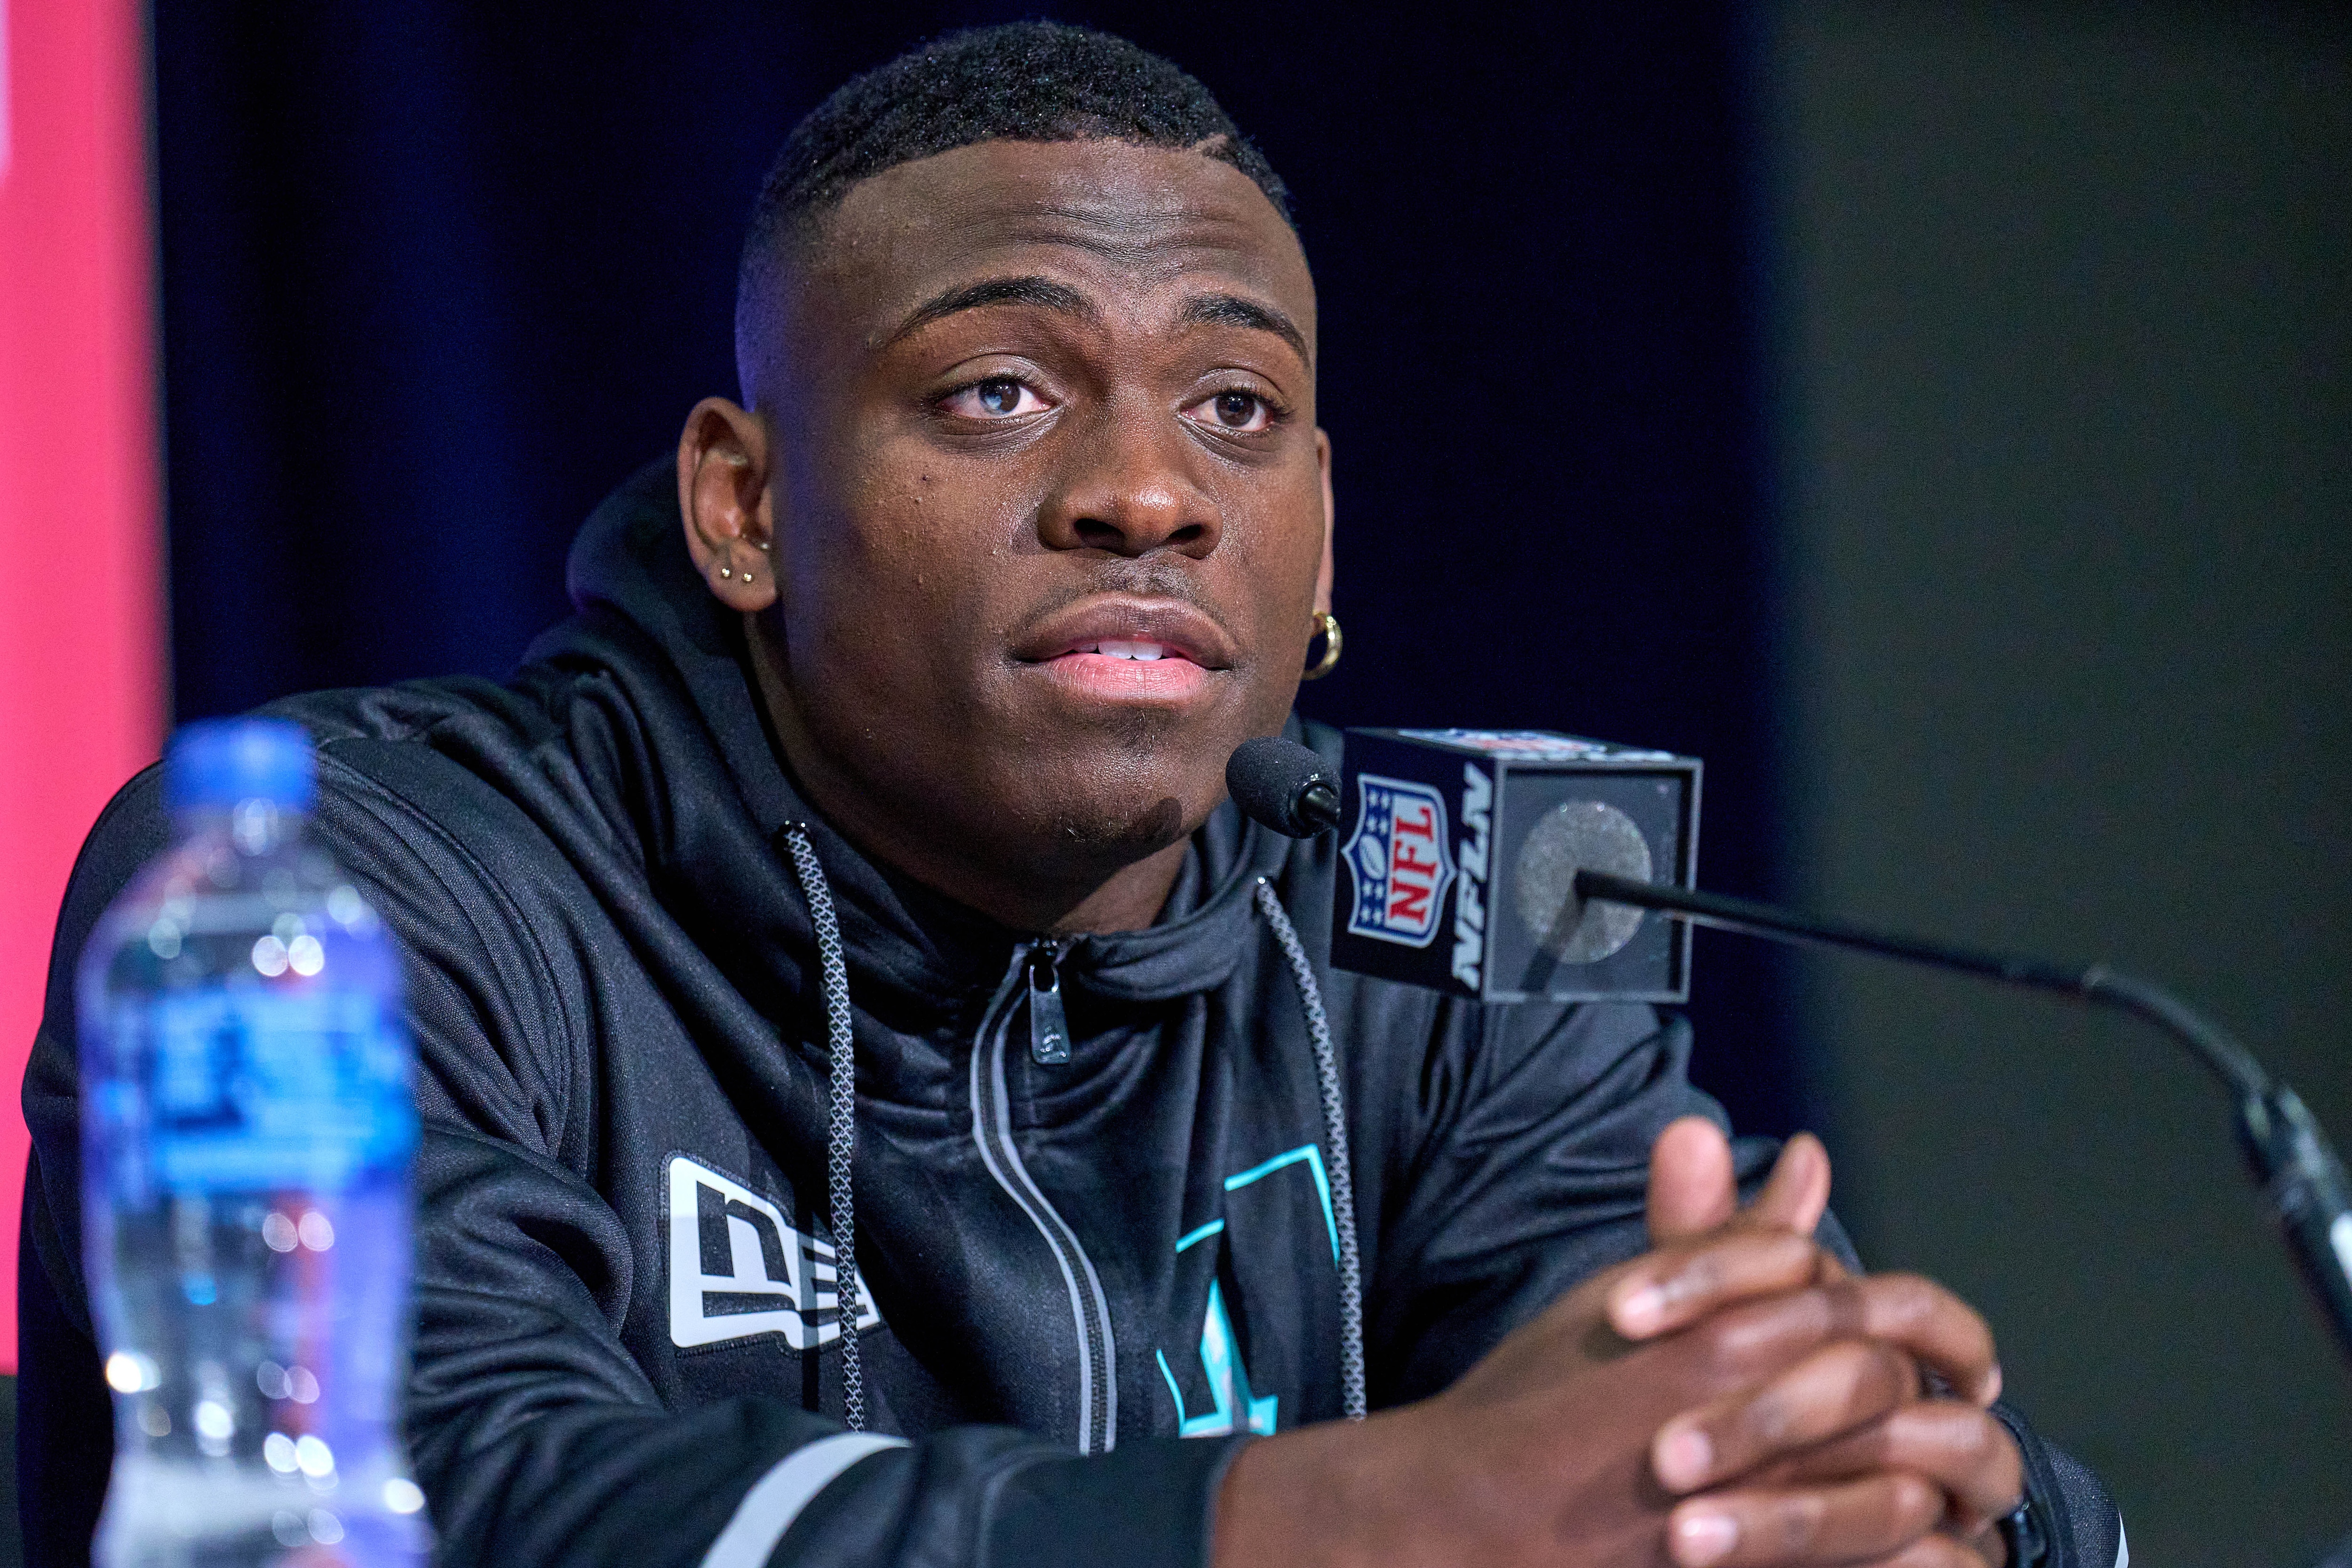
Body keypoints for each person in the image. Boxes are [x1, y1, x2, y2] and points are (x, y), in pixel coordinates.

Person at [19, 23, 2123, 1568]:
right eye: (1000, 391)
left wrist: (1873, 1492)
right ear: (742, 506)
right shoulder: (349, 891)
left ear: (1321, 526)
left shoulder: (1426, 927)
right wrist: (1323, 1525)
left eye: (1237, 409)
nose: (1145, 493)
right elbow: (404, 1504)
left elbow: (1658, 1448)